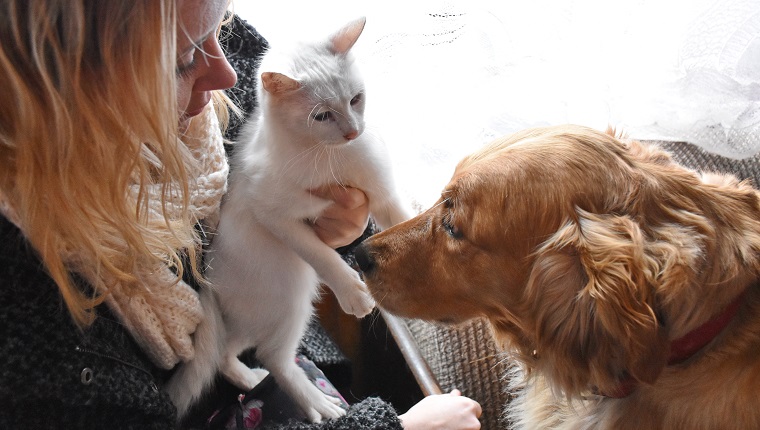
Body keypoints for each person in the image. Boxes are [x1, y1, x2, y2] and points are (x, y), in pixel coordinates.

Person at [0, 1, 483, 429]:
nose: (229, 74)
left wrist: (338, 226)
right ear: (60, 99)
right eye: (185, 59)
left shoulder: (210, 52)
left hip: (261, 342)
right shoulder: (37, 349)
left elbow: (298, 126)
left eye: (222, 22)